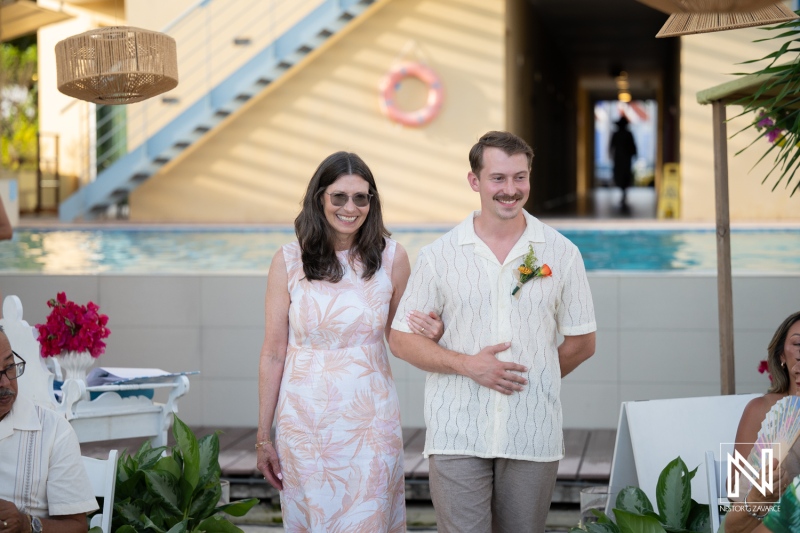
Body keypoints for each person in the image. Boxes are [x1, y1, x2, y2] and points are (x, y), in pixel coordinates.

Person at [389, 131, 597, 533]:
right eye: (498, 178)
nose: (510, 190)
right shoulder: (438, 256)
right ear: (474, 181)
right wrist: (469, 366)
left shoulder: (562, 253)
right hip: (457, 433)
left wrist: (531, 376)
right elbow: (401, 339)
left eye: (520, 177)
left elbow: (583, 342)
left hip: (532, 433)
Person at [255, 151, 443, 532]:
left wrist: (433, 334)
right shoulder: (288, 260)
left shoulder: (393, 258)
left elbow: (400, 337)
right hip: (304, 421)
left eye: (361, 197)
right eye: (339, 196)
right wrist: (263, 437)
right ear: (319, 197)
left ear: (371, 202)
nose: (350, 207)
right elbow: (274, 353)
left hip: (370, 419)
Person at [0, 326, 99, 533]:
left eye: (10, 366)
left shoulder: (54, 431)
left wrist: (26, 524)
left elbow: (77, 527)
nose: (6, 382)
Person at [721, 311, 800, 533]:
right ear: (781, 357)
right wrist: (764, 487)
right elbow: (735, 490)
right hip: (765, 521)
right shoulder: (761, 409)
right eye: (798, 344)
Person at [609, 115, 637, 210]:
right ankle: (623, 193)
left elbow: (611, 147)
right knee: (623, 176)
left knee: (623, 176)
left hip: (622, 159)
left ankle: (623, 193)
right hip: (623, 159)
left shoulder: (622, 134)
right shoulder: (623, 134)